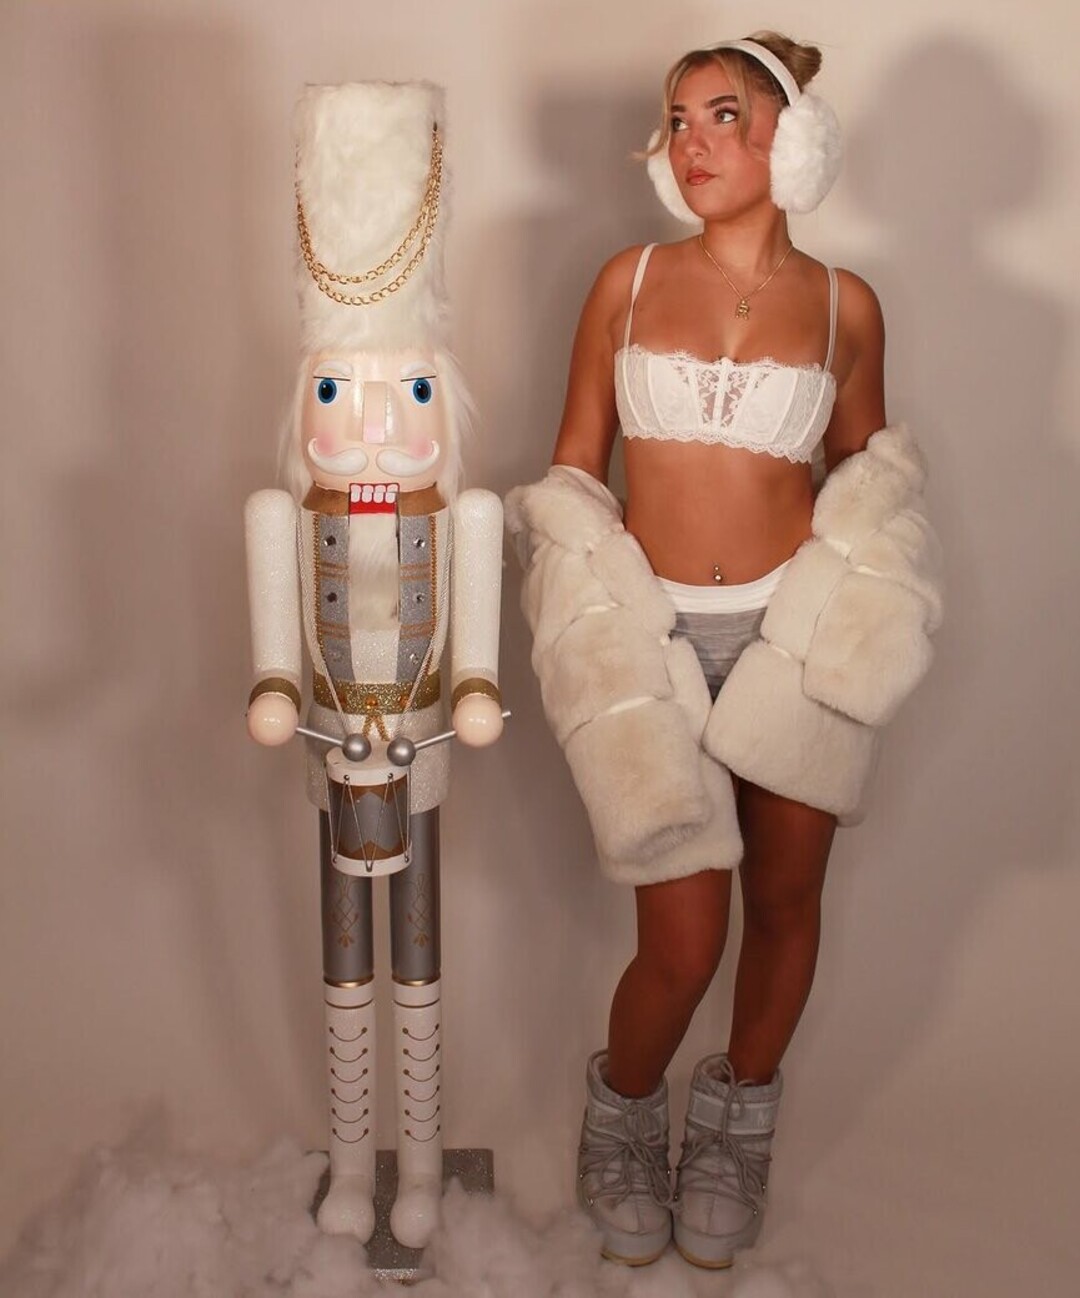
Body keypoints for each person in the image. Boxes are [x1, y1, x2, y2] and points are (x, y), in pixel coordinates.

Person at [506, 32, 942, 1270]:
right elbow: (574, 467)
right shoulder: (628, 281)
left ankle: (735, 1128)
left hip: (790, 643)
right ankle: (622, 1111)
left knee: (787, 904)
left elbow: (867, 480)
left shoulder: (848, 305)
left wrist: (866, 612)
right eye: (678, 121)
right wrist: (586, 620)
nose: (692, 143)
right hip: (650, 640)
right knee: (684, 940)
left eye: (723, 116)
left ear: (789, 139)